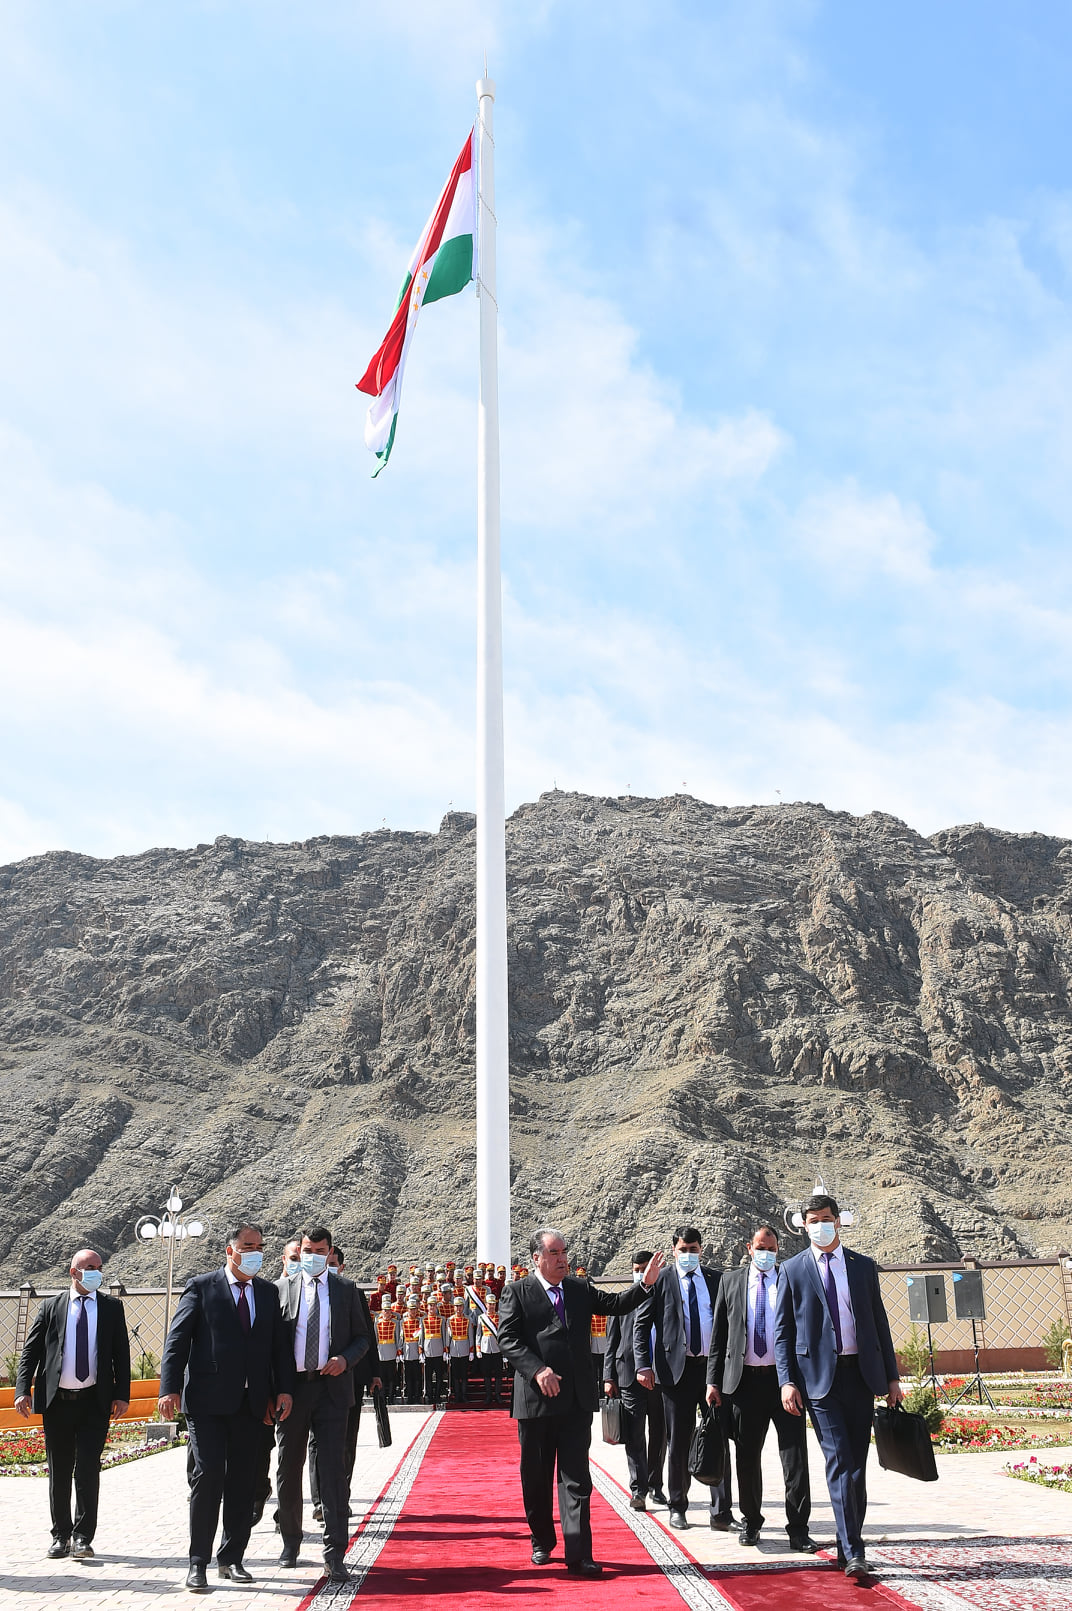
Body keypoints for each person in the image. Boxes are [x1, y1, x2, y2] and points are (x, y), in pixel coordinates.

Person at [498, 1227, 663, 1576]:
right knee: (537, 1477)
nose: (562, 1259)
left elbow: (616, 1305)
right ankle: (542, 1541)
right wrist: (537, 1369)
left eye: (564, 1252)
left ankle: (579, 1553)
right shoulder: (517, 1292)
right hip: (536, 1402)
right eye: (554, 1253)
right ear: (537, 1258)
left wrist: (645, 1286)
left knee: (576, 1478)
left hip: (575, 1401)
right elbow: (508, 1339)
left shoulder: (579, 1288)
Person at [774, 1194, 903, 1582]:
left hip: (861, 1375)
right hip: (819, 1382)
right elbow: (783, 1332)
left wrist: (892, 1377)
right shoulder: (792, 1270)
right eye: (813, 1220)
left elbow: (879, 1323)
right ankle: (854, 1551)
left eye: (826, 1218)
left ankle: (849, 1546)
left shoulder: (862, 1267)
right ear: (803, 1225)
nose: (820, 1226)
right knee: (840, 1461)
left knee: (857, 1466)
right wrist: (786, 1381)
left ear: (838, 1221)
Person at [159, 1223, 294, 1593]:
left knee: (243, 1481)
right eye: (248, 1246)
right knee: (209, 1476)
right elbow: (177, 1341)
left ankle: (231, 1558)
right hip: (207, 1403)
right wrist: (169, 1389)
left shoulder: (267, 1292)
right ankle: (197, 1562)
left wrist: (283, 1390)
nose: (256, 1252)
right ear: (230, 1250)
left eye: (260, 1246)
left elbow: (278, 1348)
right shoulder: (201, 1287)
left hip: (252, 1404)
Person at [15, 1248, 130, 1560]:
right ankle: (60, 1535)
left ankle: (82, 1537)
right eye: (89, 1267)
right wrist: (22, 1390)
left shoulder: (111, 1307)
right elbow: (31, 1351)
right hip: (58, 1403)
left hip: (94, 1402)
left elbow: (121, 1352)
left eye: (99, 1266)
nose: (96, 1272)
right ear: (73, 1272)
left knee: (88, 1469)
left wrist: (122, 1394)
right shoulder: (52, 1307)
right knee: (60, 1471)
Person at [707, 1225, 815, 1551]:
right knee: (747, 1457)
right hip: (744, 1384)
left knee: (795, 1459)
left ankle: (798, 1528)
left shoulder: (789, 1280)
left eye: (771, 1248)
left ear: (778, 1250)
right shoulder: (730, 1282)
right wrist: (713, 1381)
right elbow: (719, 1337)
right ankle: (751, 1521)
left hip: (785, 1384)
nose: (765, 1253)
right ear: (749, 1248)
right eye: (760, 1247)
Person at [275, 1225, 371, 1583]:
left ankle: (335, 1553)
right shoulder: (281, 1290)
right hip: (293, 1392)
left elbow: (363, 1337)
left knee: (332, 1471)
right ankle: (290, 1542)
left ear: (330, 1253)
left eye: (319, 1251)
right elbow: (273, 1345)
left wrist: (345, 1360)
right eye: (307, 1250)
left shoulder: (346, 1290)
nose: (313, 1257)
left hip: (332, 1392)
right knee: (288, 1467)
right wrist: (278, 1389)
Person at [635, 1226, 733, 1531]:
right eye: (683, 1250)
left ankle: (721, 1512)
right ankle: (678, 1506)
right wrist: (643, 1365)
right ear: (673, 1251)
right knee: (678, 1441)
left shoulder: (717, 1280)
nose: (688, 1255)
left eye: (693, 1250)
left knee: (718, 1438)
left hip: (712, 1372)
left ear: (701, 1250)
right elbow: (641, 1325)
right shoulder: (661, 1280)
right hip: (676, 1373)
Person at [308, 1245, 380, 1523]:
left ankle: (341, 1497)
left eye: (332, 1263)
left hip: (349, 1378)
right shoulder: (306, 1291)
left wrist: (374, 1373)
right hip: (313, 1379)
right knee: (316, 1442)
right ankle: (319, 1501)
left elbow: (366, 1336)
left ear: (341, 1266)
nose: (326, 1266)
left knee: (346, 1441)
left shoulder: (351, 1292)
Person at [604, 1249, 667, 1511]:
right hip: (629, 1376)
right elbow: (611, 1342)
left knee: (659, 1434)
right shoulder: (623, 1300)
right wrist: (608, 1376)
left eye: (645, 1269)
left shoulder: (664, 1297)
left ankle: (655, 1485)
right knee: (634, 1434)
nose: (641, 1273)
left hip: (661, 1376)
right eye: (637, 1270)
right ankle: (638, 1489)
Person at [476, 1295, 504, 1405]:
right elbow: (478, 1334)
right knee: (486, 1374)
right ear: (486, 1304)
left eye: (493, 1304)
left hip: (497, 1349)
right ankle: (488, 1395)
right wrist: (478, 1349)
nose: (492, 1306)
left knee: (498, 1373)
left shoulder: (499, 1317)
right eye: (490, 1304)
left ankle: (498, 1395)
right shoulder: (481, 1317)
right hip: (485, 1349)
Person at [447, 1294, 475, 1403]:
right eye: (456, 1306)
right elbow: (448, 1336)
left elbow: (470, 1336)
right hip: (454, 1349)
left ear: (463, 1307)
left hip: (464, 1348)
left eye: (460, 1306)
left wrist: (471, 1350)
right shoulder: (450, 1320)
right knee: (455, 1375)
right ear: (453, 1307)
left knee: (463, 1374)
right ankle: (457, 1395)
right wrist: (447, 1350)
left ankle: (464, 1395)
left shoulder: (468, 1319)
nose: (458, 1308)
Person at [423, 1299, 447, 1405]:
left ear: (436, 1307)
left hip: (438, 1350)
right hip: (427, 1351)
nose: (432, 1307)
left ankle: (437, 1395)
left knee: (439, 1375)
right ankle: (429, 1396)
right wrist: (421, 1350)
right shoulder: (423, 1319)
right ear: (427, 1307)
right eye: (430, 1305)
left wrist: (445, 1349)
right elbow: (422, 1336)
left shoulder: (441, 1319)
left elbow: (444, 1335)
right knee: (428, 1376)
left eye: (433, 1305)